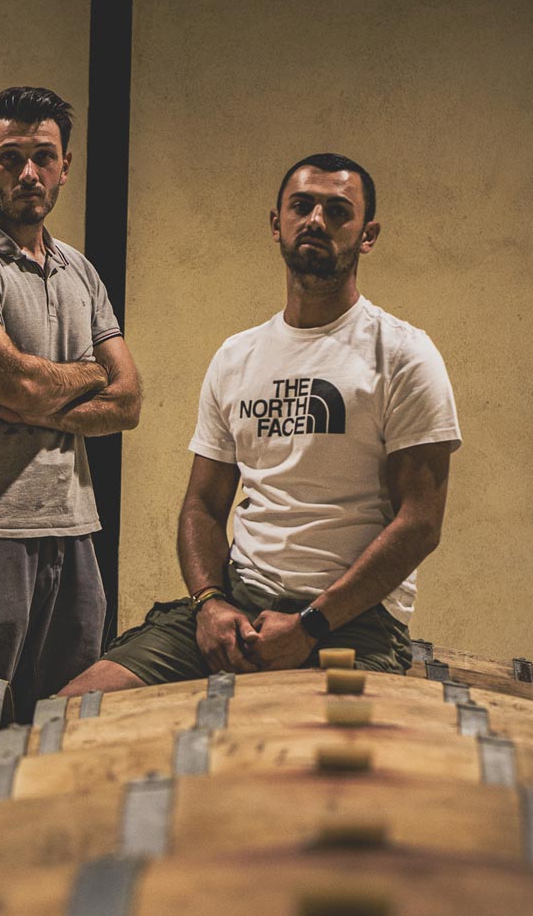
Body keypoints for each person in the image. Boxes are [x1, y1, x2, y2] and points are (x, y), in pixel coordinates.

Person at [61, 151, 459, 694]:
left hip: (353, 625)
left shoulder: (403, 355)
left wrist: (311, 624)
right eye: (302, 206)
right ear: (278, 224)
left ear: (367, 235)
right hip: (237, 606)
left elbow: (420, 522)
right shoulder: (236, 356)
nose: (317, 220)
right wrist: (210, 603)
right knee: (69, 708)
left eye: (338, 211)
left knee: (303, 768)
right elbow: (202, 506)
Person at [0, 85, 141, 721]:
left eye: (44, 156)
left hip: (70, 524)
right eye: (10, 157)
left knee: (63, 724)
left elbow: (127, 403)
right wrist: (83, 375)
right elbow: (16, 385)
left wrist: (41, 400)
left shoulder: (79, 270)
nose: (29, 172)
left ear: (66, 166)